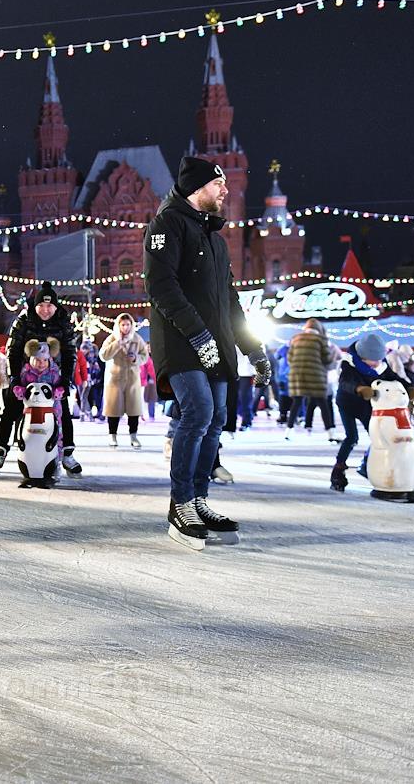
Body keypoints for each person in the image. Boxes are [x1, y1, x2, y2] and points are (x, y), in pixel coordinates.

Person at [143, 156, 271, 551]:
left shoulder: (215, 240)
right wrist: (198, 335)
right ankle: (180, 504)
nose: (225, 190)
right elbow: (161, 287)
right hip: (182, 341)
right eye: (218, 184)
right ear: (197, 188)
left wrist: (254, 350)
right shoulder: (166, 225)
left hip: (218, 345)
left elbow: (230, 302)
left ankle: (198, 499)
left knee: (216, 419)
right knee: (197, 412)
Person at [0, 282, 82, 478]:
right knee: (10, 412)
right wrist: (14, 378)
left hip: (53, 375)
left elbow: (70, 352)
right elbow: (13, 349)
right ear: (35, 305)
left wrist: (65, 380)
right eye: (41, 306)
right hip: (25, 375)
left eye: (49, 306)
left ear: (55, 306)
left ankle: (67, 454)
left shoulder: (63, 321)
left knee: (63, 413)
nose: (45, 310)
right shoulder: (24, 320)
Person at [330, 332, 410, 492]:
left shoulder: (381, 365)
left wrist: (409, 387)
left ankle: (367, 465)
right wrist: (359, 388)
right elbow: (346, 382)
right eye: (373, 360)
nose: (377, 363)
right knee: (352, 437)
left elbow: (393, 378)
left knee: (377, 437)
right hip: (347, 403)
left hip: (366, 405)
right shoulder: (349, 363)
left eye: (379, 359)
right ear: (362, 356)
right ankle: (338, 470)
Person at [99, 312, 149, 448]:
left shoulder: (137, 339)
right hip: (114, 379)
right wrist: (117, 344)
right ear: (118, 325)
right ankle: (112, 435)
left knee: (134, 409)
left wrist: (135, 358)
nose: (126, 327)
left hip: (132, 378)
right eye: (123, 325)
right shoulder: (111, 338)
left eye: (128, 324)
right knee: (113, 409)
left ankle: (133, 436)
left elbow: (145, 356)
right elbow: (103, 355)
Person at [285, 318, 336, 440]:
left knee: (296, 403)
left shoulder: (296, 338)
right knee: (323, 403)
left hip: (297, 375)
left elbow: (289, 358)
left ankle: (288, 432)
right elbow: (327, 359)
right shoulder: (321, 339)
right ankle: (330, 433)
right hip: (315, 375)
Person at [141, 355, 158, 420]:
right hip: (144, 380)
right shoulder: (147, 358)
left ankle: (149, 415)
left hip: (143, 380)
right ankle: (149, 415)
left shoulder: (146, 358)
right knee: (149, 398)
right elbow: (151, 370)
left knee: (149, 398)